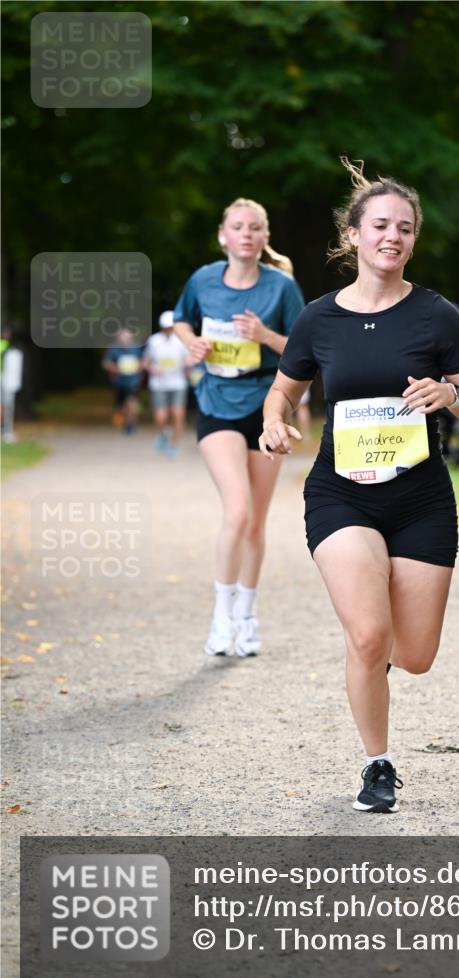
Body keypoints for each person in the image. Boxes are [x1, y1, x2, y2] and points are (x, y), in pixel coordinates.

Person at [259, 159, 459, 812]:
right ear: (353, 235)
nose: (393, 236)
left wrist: (448, 391)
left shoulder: (435, 315)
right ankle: (377, 765)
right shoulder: (317, 320)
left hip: (419, 500)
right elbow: (283, 392)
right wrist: (275, 425)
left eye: (406, 228)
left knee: (412, 655)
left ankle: (375, 666)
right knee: (367, 635)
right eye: (381, 225)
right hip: (341, 495)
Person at [173, 197, 304, 657]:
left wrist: (264, 336)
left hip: (266, 406)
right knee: (238, 510)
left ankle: (247, 617)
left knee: (255, 523)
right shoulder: (203, 280)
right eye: (237, 227)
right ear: (222, 236)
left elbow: (304, 348)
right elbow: (180, 321)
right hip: (217, 403)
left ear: (265, 237)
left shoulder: (281, 287)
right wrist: (193, 346)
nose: (246, 234)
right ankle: (220, 617)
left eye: (255, 228)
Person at [143, 310, 190, 457]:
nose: (168, 330)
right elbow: (145, 362)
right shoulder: (154, 341)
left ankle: (174, 444)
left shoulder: (181, 341)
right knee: (160, 417)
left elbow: (189, 360)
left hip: (178, 383)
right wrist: (153, 369)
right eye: (166, 327)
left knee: (178, 414)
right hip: (159, 384)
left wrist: (187, 366)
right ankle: (163, 433)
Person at [101, 328, 145, 434]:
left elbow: (144, 361)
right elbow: (105, 363)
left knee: (131, 402)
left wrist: (139, 367)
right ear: (118, 339)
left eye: (128, 338)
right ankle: (125, 421)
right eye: (123, 338)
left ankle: (131, 424)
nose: (125, 340)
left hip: (133, 381)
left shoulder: (137, 348)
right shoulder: (113, 349)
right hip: (119, 382)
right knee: (121, 405)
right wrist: (115, 368)